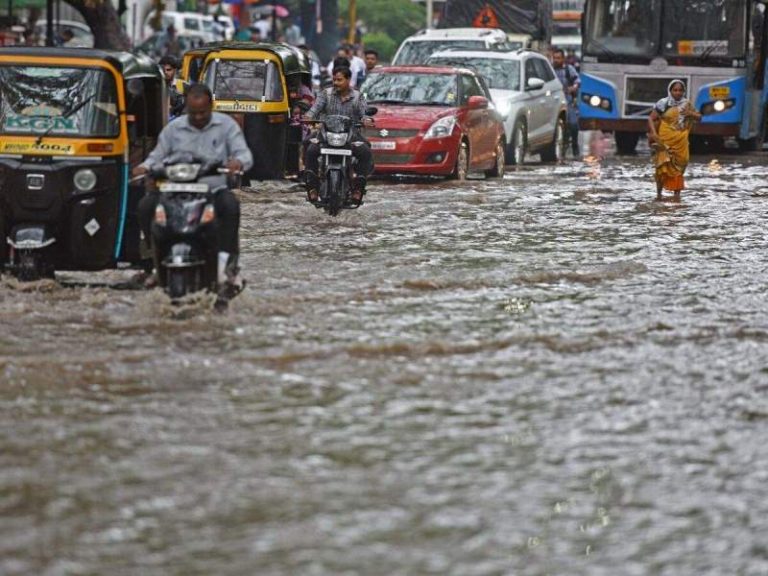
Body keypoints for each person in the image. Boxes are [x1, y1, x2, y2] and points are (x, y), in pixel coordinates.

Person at [132, 84, 253, 288]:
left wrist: (237, 163)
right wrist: (144, 168)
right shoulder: (173, 128)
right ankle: (154, 260)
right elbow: (157, 156)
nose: (197, 117)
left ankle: (225, 264)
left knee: (231, 205)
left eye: (203, 112)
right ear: (186, 106)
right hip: (174, 191)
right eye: (193, 112)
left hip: (212, 191)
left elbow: (244, 154)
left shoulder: (226, 126)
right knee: (145, 206)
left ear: (211, 106)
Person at [303, 66, 374, 203]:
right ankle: (312, 187)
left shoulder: (358, 97)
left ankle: (358, 188)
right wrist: (308, 117)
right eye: (334, 79)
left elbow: (364, 113)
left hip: (351, 135)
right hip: (325, 134)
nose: (335, 83)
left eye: (339, 80)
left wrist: (367, 120)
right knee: (310, 148)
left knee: (365, 150)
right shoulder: (325, 94)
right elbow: (315, 109)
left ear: (348, 80)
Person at [648, 79, 701, 201]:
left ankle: (676, 196)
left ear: (684, 92)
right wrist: (654, 134)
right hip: (664, 140)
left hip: (681, 140)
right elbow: (651, 118)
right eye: (675, 90)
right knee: (662, 167)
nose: (677, 93)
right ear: (670, 91)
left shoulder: (687, 104)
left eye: (680, 90)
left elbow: (699, 117)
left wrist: (690, 114)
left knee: (680, 166)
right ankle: (659, 195)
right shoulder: (663, 103)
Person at [552, 48, 581, 159]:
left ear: (563, 59)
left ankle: (574, 145)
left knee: (573, 124)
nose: (556, 60)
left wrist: (574, 87)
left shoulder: (569, 69)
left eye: (558, 58)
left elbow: (577, 80)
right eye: (554, 58)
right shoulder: (550, 70)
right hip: (554, 101)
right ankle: (560, 148)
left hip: (567, 100)